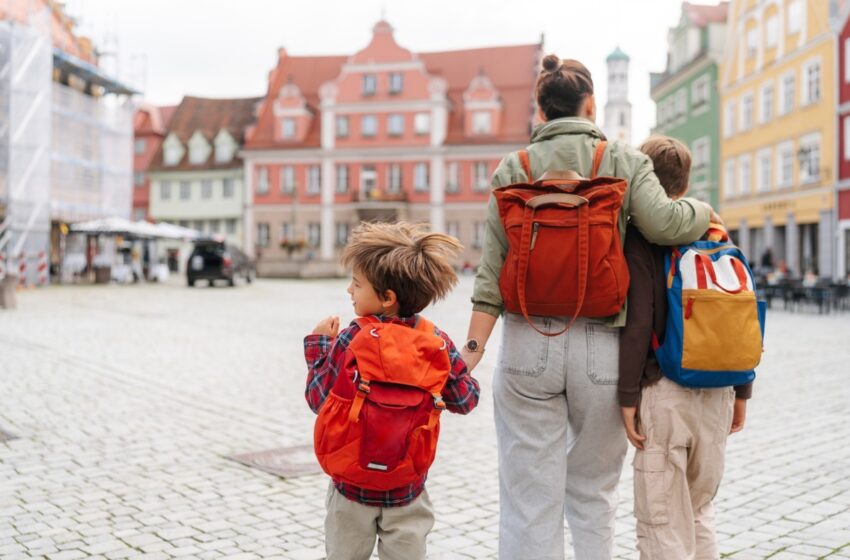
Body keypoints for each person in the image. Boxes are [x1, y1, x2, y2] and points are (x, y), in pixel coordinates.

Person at [461, 55, 718, 559]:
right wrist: (703, 210)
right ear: (592, 104)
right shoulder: (622, 159)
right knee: (595, 493)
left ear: (541, 110)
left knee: (527, 499)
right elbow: (665, 224)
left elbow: (490, 277)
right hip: (602, 343)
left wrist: (468, 353)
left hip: (525, 341)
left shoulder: (514, 169)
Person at [304, 221, 480, 560]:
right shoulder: (436, 340)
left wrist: (318, 344)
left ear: (387, 298)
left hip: (351, 489)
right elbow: (465, 400)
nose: (349, 291)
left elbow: (318, 399)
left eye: (356, 284)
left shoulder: (351, 338)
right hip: (407, 489)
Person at [618, 136, 751, 559]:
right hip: (719, 395)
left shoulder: (643, 238)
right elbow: (740, 315)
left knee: (662, 526)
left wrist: (626, 398)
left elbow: (639, 322)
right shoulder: (715, 229)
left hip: (665, 393)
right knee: (698, 514)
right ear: (684, 181)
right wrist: (743, 392)